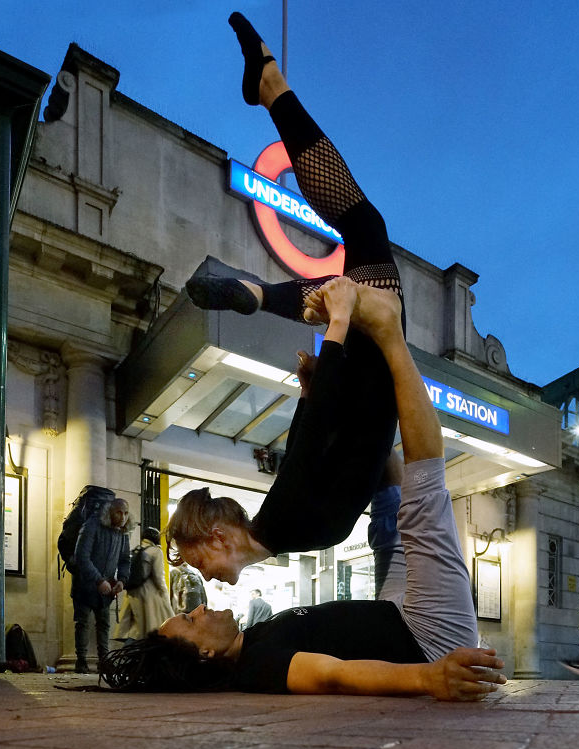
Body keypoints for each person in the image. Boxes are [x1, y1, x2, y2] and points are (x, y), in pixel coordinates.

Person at [102, 283, 506, 703]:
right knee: (423, 499)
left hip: (397, 611)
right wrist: (430, 678)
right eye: (188, 618)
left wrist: (319, 399)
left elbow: (302, 452)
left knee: (388, 504)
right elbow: (334, 675)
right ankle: (389, 333)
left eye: (189, 610)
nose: (198, 605)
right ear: (204, 653)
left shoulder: (254, 641)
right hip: (428, 637)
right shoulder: (258, 666)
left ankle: (376, 410)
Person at [165, 11, 406, 586]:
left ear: (219, 536)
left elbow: (313, 439)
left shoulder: (286, 520)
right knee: (364, 228)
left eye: (201, 561)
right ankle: (260, 293)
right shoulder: (282, 524)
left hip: (368, 374)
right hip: (366, 381)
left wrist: (338, 334)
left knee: (366, 228)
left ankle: (271, 87)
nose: (210, 577)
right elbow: (311, 441)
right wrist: (315, 384)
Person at [71, 498, 132, 672]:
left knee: (104, 623)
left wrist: (122, 579)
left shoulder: (123, 533)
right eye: (119, 512)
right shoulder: (92, 526)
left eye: (126, 513)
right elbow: (81, 556)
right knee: (82, 622)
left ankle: (104, 661)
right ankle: (81, 661)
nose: (123, 517)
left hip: (106, 586)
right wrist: (98, 579)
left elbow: (125, 560)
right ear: (110, 512)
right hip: (84, 583)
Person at [115, 526, 174, 642]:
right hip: (148, 596)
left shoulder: (135, 551)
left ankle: (128, 654)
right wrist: (165, 596)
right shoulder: (156, 551)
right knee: (152, 629)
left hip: (132, 593)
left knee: (134, 629)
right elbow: (158, 577)